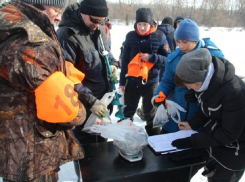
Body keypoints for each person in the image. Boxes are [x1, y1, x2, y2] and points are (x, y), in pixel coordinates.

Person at [0, 0, 86, 181]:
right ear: (38, 4)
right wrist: (82, 112)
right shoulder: (33, 43)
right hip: (34, 152)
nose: (59, 16)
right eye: (56, 9)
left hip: (11, 144)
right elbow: (68, 112)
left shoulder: (7, 25)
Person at [171, 48, 245, 182]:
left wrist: (192, 141)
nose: (189, 89)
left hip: (234, 151)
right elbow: (208, 109)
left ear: (200, 79)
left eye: (190, 85)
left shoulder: (234, 92)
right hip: (215, 143)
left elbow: (228, 134)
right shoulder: (206, 83)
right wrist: (192, 124)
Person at [57, 0, 119, 143]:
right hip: (83, 107)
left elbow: (106, 53)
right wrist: (91, 101)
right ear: (82, 12)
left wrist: (114, 64)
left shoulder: (99, 29)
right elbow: (67, 77)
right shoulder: (66, 35)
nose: (98, 25)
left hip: (103, 103)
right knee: (87, 151)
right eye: (94, 20)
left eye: (102, 21)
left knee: (102, 147)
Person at [153, 19, 224, 134]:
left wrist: (198, 93)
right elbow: (167, 81)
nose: (181, 46)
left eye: (185, 42)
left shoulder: (212, 56)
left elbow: (220, 82)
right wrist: (158, 96)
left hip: (200, 116)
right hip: (176, 113)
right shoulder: (174, 58)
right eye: (178, 41)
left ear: (195, 40)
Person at [119, 7, 170, 136]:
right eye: (139, 24)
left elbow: (168, 58)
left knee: (150, 115)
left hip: (150, 84)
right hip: (132, 81)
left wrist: (152, 57)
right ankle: (126, 139)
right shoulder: (130, 36)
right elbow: (125, 60)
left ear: (151, 24)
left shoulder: (159, 36)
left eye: (145, 25)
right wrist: (121, 82)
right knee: (127, 112)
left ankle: (154, 142)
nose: (141, 28)